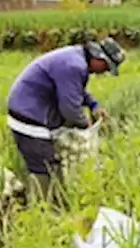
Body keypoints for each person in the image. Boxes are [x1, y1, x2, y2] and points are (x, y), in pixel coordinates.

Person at [7, 38, 126, 199]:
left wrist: (93, 105)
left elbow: (74, 90)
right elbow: (69, 109)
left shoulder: (77, 58)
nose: (104, 72)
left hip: (34, 111)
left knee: (53, 163)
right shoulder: (74, 65)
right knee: (44, 167)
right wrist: (85, 125)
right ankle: (41, 209)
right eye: (106, 67)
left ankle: (54, 201)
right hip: (29, 117)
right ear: (99, 58)